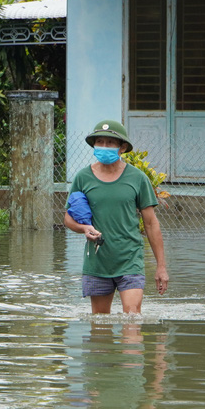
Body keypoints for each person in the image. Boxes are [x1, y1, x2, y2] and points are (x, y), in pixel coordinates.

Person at [64, 119, 168, 314]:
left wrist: (161, 267)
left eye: (111, 143)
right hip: (97, 261)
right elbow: (68, 219)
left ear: (122, 148)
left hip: (130, 259)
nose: (104, 147)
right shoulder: (82, 178)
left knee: (132, 317)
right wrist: (84, 228)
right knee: (100, 326)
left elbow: (152, 224)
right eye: (100, 142)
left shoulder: (137, 178)